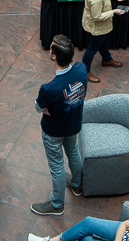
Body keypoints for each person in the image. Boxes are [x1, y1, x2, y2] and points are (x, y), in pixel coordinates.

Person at [31, 34, 87, 217]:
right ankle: (77, 185)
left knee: (56, 166)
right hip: (73, 124)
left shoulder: (49, 88)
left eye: (51, 47)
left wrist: (50, 108)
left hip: (54, 131)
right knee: (73, 152)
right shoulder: (81, 69)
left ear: (54, 56)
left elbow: (38, 107)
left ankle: (57, 204)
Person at [82, 0, 126, 83]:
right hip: (97, 25)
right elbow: (97, 16)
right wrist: (114, 12)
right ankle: (85, 72)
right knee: (92, 48)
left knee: (103, 41)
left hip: (101, 26)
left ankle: (107, 59)